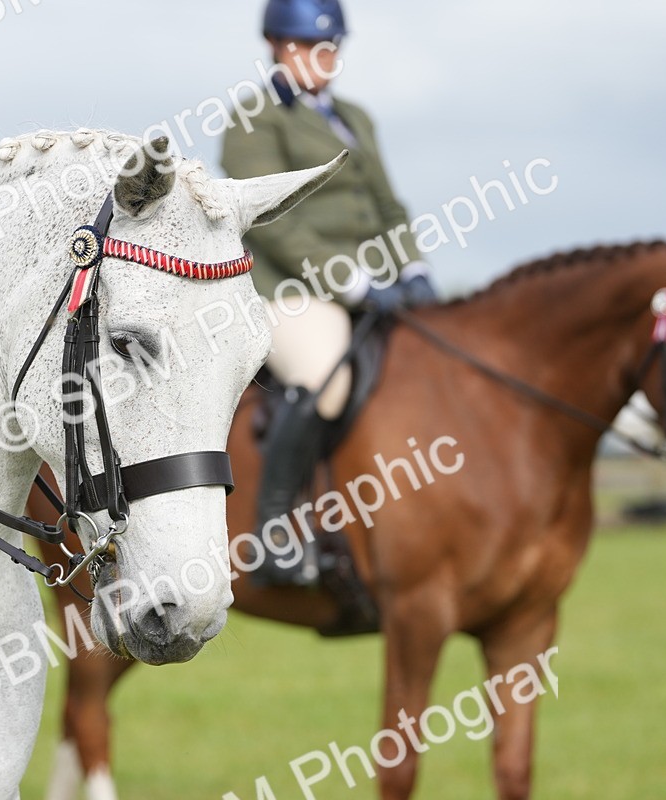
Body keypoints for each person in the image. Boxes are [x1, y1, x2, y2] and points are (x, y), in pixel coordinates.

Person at [221, 0, 437, 582]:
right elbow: (275, 222)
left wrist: (412, 268)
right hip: (288, 289)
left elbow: (389, 207)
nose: (322, 59)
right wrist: (356, 280)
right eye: (306, 47)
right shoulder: (254, 119)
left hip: (375, 284)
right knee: (327, 378)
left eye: (331, 47)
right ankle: (273, 534)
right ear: (276, 47)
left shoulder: (356, 118)